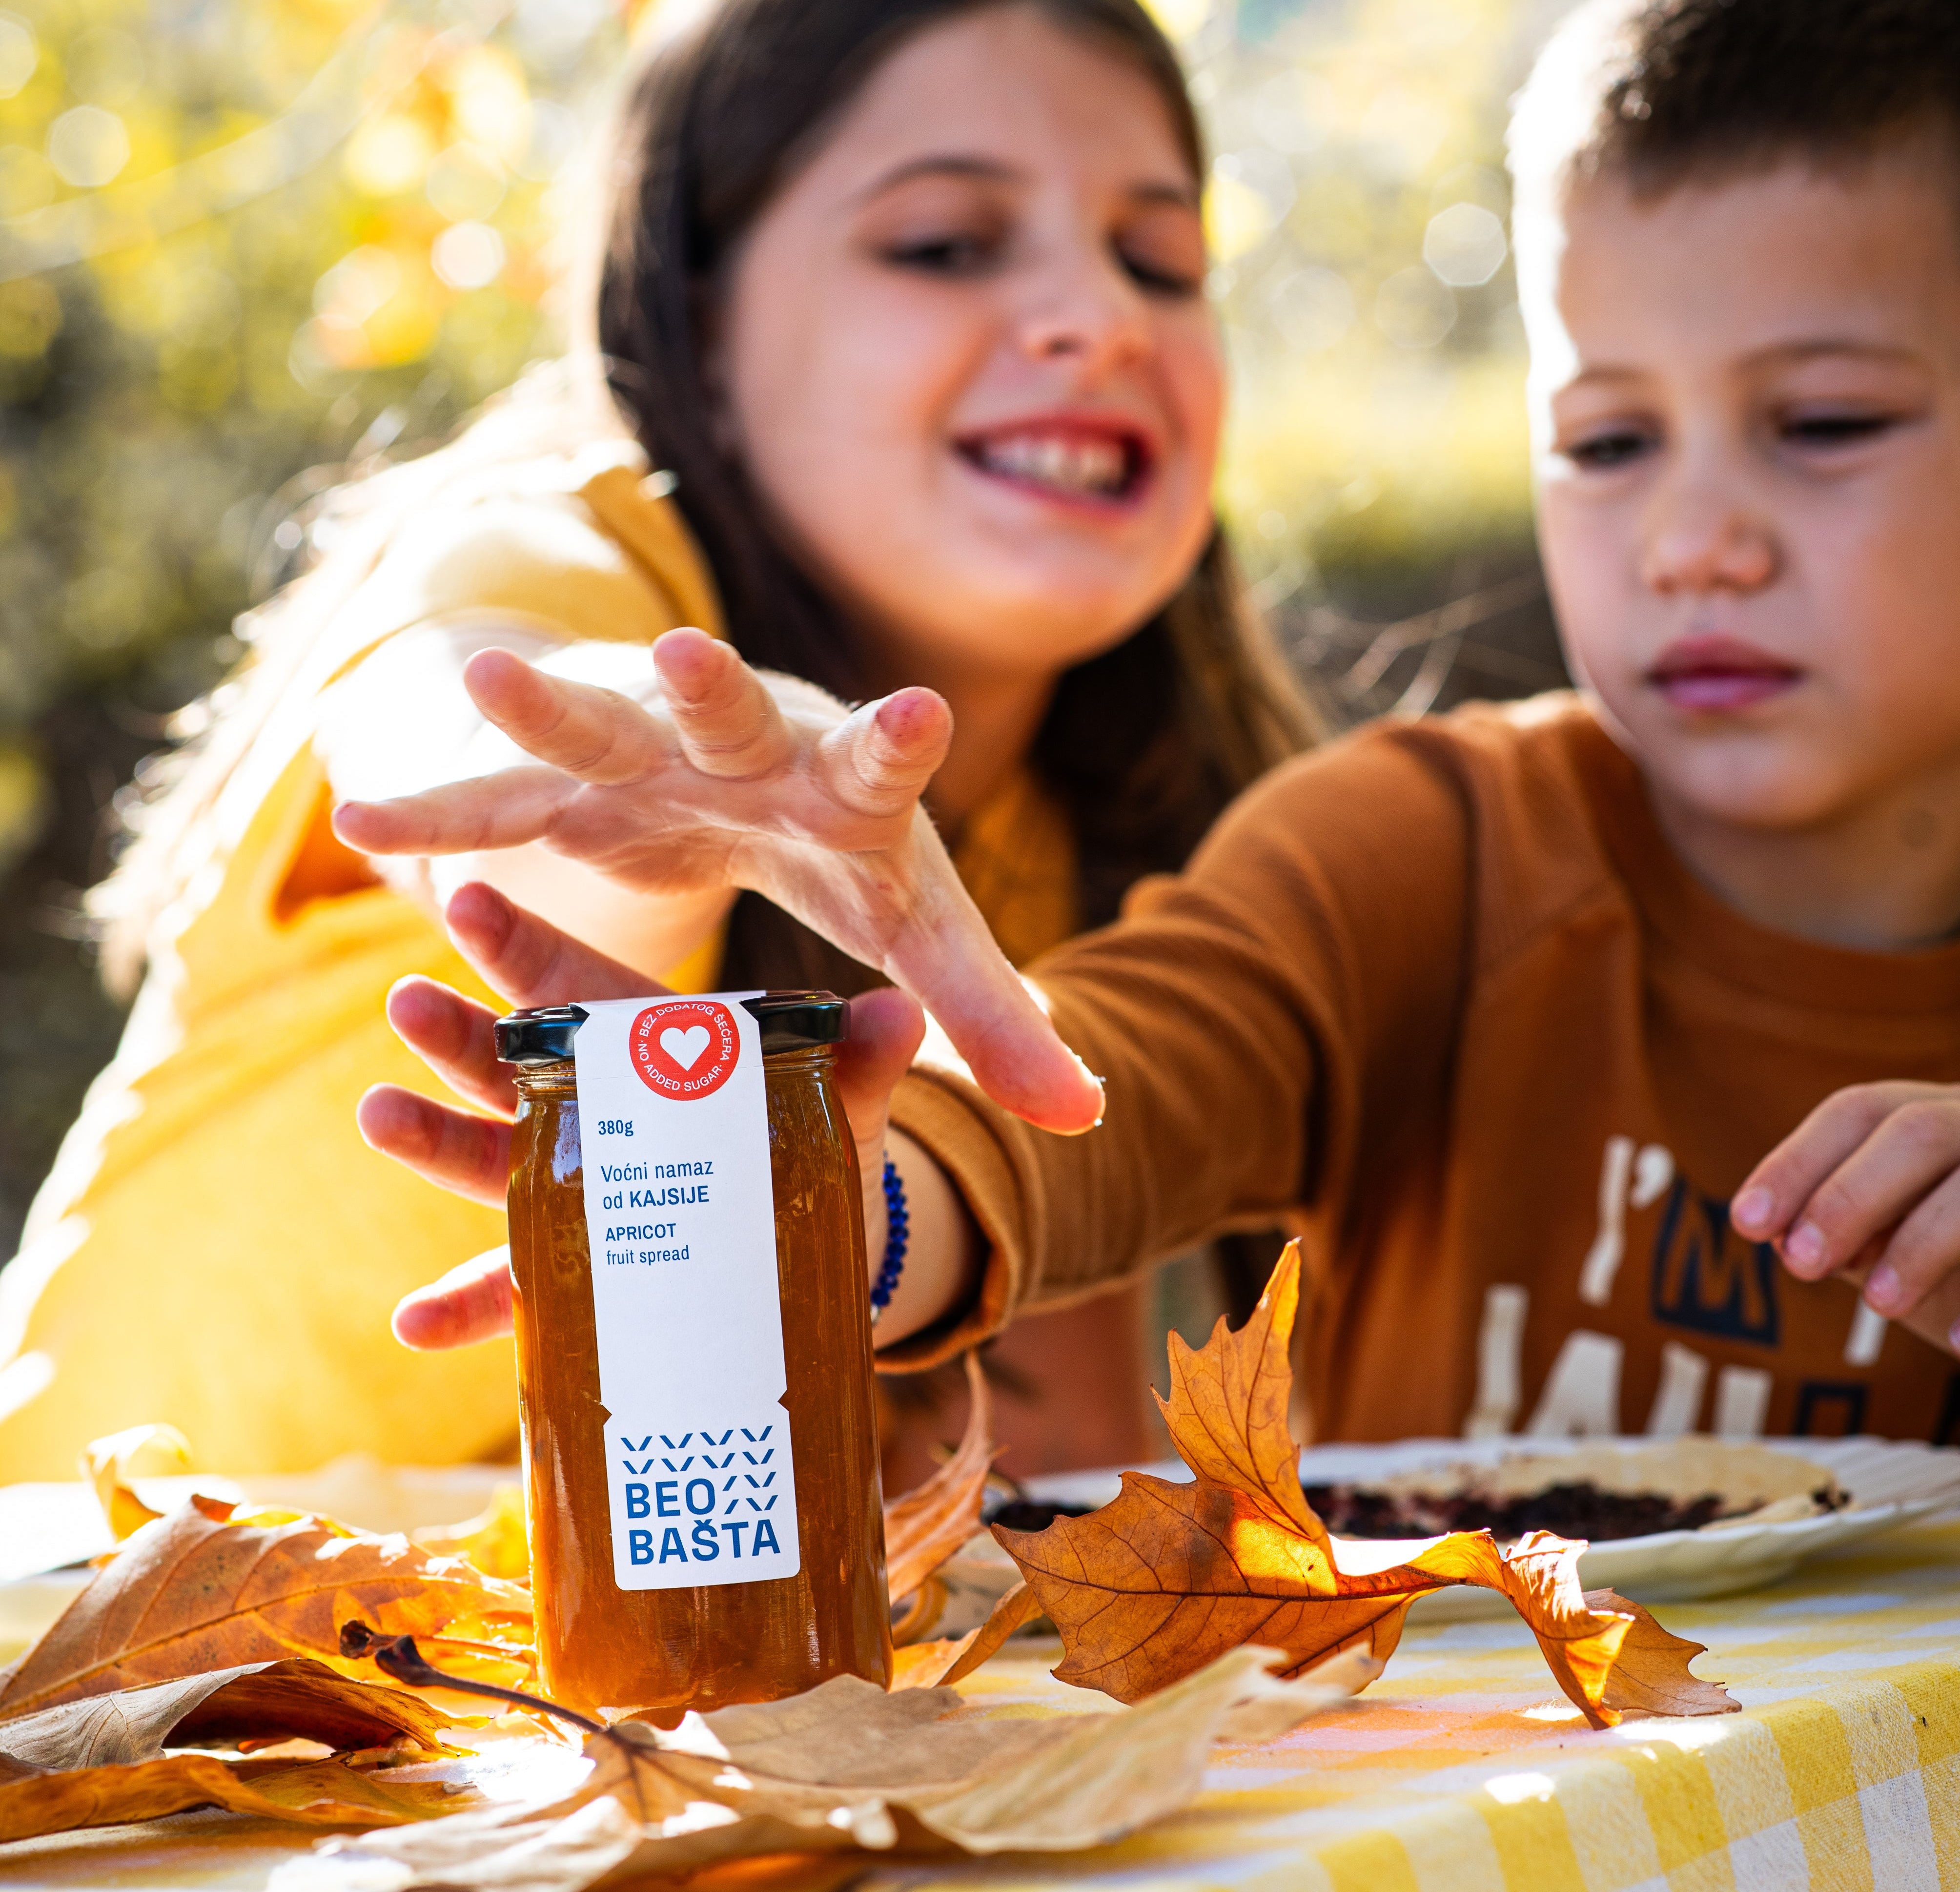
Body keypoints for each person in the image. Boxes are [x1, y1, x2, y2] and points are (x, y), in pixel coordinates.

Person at [352, 0, 1960, 1446]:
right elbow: (1100, 1090)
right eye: (1607, 443)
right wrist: (840, 1221)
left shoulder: (1074, 796)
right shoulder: (1423, 852)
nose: (1692, 542)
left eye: (1823, 424)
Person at [0, 0, 1312, 1480]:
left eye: (1162, 260)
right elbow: (471, 730)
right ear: (700, 322)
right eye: (945, 243)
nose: (1105, 314)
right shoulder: (556, 544)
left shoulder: (1109, 823)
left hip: (542, 1706)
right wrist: (652, 791)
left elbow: (1032, 1450)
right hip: (94, 1658)